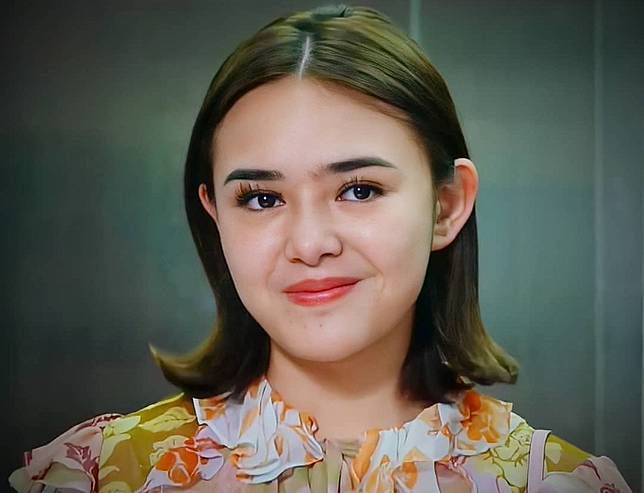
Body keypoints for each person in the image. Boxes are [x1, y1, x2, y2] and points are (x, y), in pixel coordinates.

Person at [9, 4, 632, 493]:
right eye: (261, 198)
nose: (309, 244)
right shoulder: (94, 475)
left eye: (359, 190)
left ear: (445, 206)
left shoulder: (558, 484)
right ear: (214, 216)